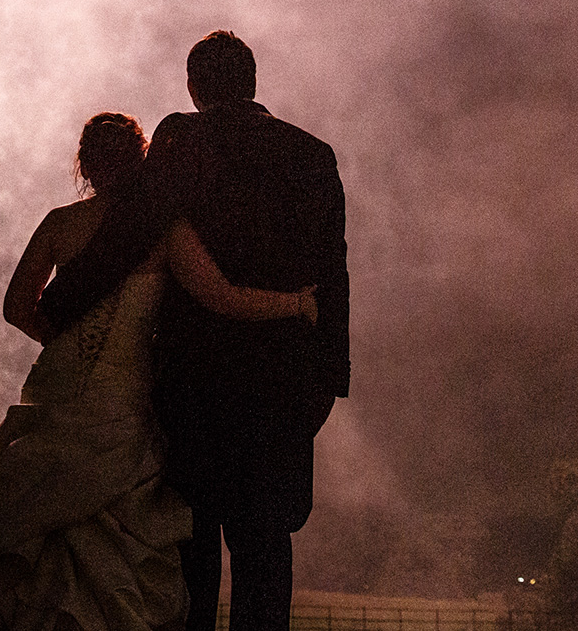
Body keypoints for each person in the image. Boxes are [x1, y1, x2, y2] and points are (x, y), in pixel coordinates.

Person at [0, 112, 317, 631]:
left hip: (56, 387)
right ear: (140, 162)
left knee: (24, 521)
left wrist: (61, 341)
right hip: (122, 399)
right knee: (112, 540)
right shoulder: (165, 232)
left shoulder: (60, 222)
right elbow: (221, 296)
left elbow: (15, 307)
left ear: (85, 164)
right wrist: (294, 303)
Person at [40, 32, 349, 631]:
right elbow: (333, 276)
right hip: (282, 388)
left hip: (195, 387)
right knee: (265, 549)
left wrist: (62, 303)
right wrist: (327, 383)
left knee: (194, 547)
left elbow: (131, 231)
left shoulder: (181, 137)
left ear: (193, 87)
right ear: (253, 83)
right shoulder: (314, 156)